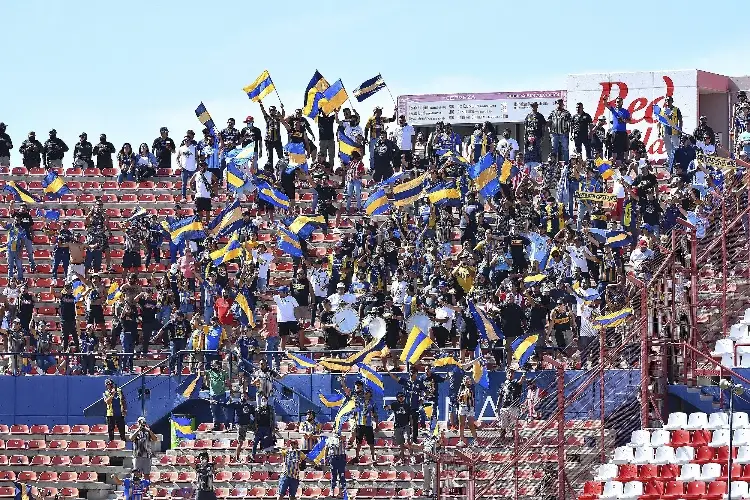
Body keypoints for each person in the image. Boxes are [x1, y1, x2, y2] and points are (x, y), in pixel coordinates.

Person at [411, 427, 445, 498]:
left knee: (434, 477)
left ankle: (435, 492)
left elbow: (440, 443)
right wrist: (410, 445)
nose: (425, 436)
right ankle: (426, 492)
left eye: (425, 435)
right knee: (426, 478)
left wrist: (441, 435)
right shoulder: (425, 441)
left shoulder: (435, 441)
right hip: (426, 462)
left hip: (433, 462)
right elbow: (419, 446)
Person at [497, 368, 526, 441]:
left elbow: (520, 382)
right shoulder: (503, 385)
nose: (510, 375)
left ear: (514, 375)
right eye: (509, 373)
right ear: (506, 375)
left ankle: (515, 440)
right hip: (504, 407)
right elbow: (500, 396)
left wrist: (523, 375)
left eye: (512, 374)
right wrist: (497, 406)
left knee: (514, 425)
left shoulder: (515, 382)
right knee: (503, 425)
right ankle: (502, 439)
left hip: (514, 407)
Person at [657, 96, 683, 171]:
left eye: (669, 100)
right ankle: (670, 162)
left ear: (672, 101)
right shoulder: (663, 110)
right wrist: (659, 131)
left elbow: (680, 120)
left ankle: (677, 161)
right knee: (668, 148)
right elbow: (659, 122)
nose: (668, 102)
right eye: (666, 101)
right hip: (665, 132)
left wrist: (680, 129)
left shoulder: (676, 110)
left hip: (674, 132)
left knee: (676, 147)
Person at [386, 391, 412, 464]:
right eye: (399, 396)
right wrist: (386, 407)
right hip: (397, 426)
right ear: (397, 398)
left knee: (407, 441)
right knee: (401, 443)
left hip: (405, 425)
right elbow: (388, 407)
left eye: (402, 396)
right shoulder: (395, 404)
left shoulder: (407, 405)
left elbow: (410, 416)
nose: (401, 398)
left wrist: (411, 425)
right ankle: (402, 456)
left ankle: (411, 456)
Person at [606, 97, 631, 161]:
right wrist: (604, 99)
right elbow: (606, 104)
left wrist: (623, 120)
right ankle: (614, 161)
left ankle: (626, 160)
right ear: (615, 102)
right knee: (614, 148)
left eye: (619, 101)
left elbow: (630, 121)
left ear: (622, 102)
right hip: (615, 132)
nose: (618, 103)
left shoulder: (625, 111)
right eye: (617, 101)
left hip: (623, 132)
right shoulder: (613, 110)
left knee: (625, 148)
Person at [205, 359, 229, 431]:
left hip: (221, 393)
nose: (212, 366)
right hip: (213, 395)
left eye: (214, 364)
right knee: (214, 411)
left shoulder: (224, 373)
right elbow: (202, 373)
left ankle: (226, 425)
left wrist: (226, 383)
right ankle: (216, 426)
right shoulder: (210, 372)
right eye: (212, 365)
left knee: (223, 410)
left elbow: (227, 382)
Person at [260, 102, 284, 167]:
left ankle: (282, 169)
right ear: (269, 111)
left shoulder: (278, 118)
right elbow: (263, 112)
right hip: (268, 140)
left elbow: (283, 117)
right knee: (270, 157)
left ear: (275, 111)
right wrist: (261, 104)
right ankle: (270, 170)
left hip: (277, 140)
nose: (272, 111)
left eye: (273, 110)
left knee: (281, 156)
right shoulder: (267, 117)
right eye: (271, 110)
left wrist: (282, 108)